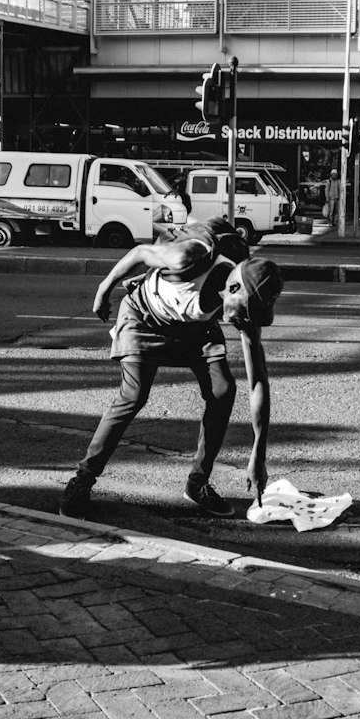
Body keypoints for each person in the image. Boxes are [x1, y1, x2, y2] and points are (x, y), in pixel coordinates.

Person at [59, 218, 284, 521]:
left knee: (223, 390)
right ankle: (81, 481)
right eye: (240, 311)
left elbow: (257, 382)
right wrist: (104, 287)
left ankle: (197, 484)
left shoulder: (246, 302)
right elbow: (139, 252)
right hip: (143, 318)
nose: (240, 320)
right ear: (233, 287)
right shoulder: (189, 256)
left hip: (194, 328)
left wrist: (259, 453)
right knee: (134, 395)